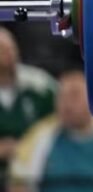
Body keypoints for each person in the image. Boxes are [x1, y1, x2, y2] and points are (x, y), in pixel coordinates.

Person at [0, 28, 55, 183]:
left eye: (11, 48)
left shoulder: (40, 84)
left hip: (36, 168)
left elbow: (61, 121)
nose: (9, 54)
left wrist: (30, 146)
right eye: (2, 50)